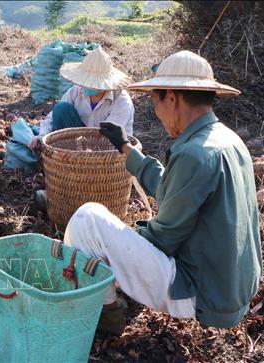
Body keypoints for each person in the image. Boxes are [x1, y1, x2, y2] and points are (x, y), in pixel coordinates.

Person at [64, 50, 261, 335]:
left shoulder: (194, 154)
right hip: (230, 288)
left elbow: (164, 238)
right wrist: (126, 149)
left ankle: (108, 314)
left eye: (156, 103)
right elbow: (173, 188)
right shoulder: (226, 140)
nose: (157, 114)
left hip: (203, 294)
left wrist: (123, 241)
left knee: (87, 219)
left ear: (171, 97)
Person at [28, 47, 134, 150]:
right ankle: (68, 156)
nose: (88, 86)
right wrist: (41, 135)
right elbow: (51, 117)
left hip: (109, 148)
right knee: (61, 109)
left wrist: (87, 151)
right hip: (80, 142)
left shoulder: (121, 100)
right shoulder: (76, 91)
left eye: (93, 83)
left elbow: (111, 136)